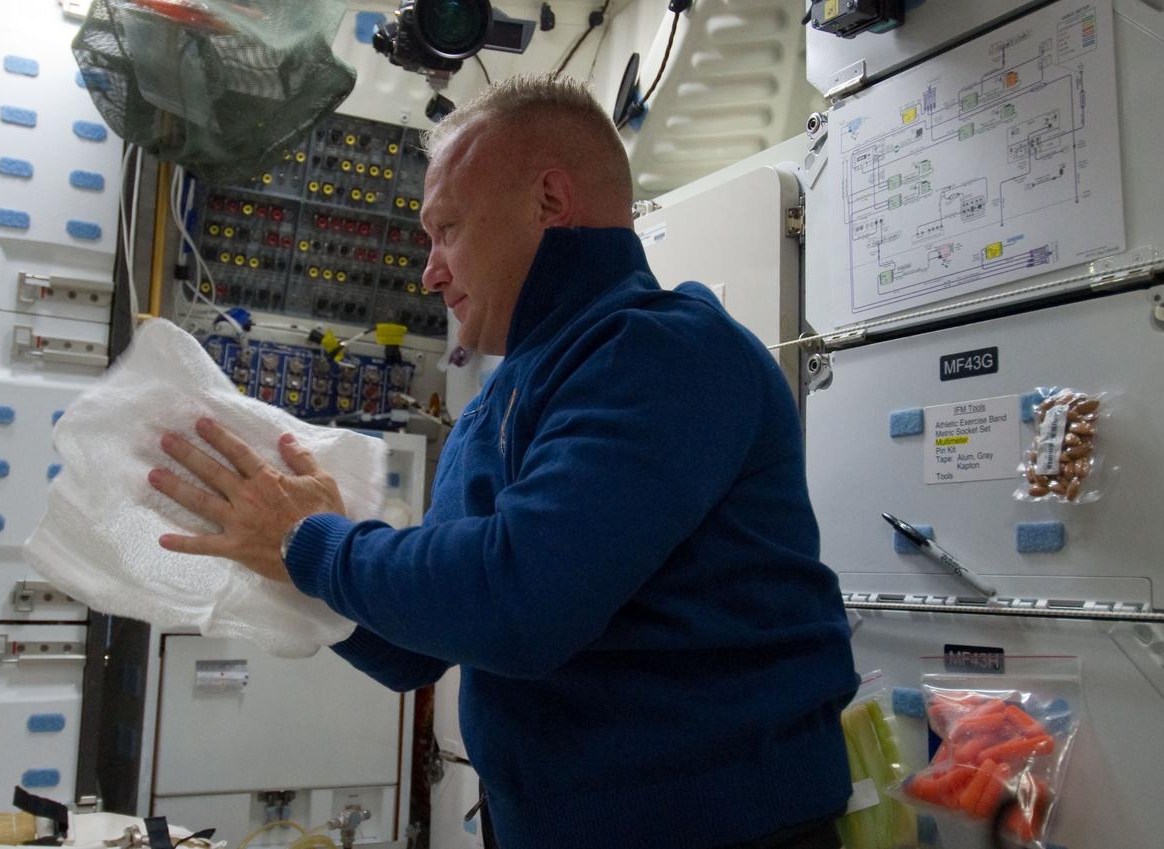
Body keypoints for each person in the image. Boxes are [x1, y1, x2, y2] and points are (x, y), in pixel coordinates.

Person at [149, 73, 857, 849]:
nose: (429, 272)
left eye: (446, 228)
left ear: (549, 202)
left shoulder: (661, 349)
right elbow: (418, 649)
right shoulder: (501, 399)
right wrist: (285, 557)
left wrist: (311, 543)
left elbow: (521, 602)